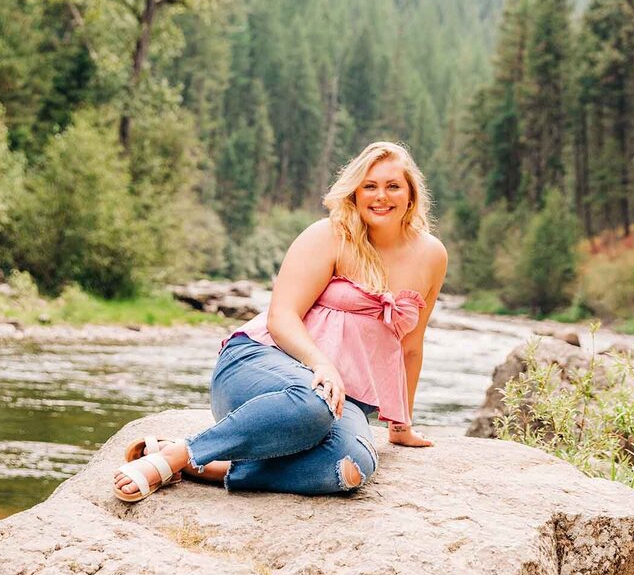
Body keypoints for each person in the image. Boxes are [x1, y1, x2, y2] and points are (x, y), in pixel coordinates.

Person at [113, 141, 447, 501]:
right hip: (260, 365)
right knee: (312, 401)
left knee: (351, 466)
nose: (381, 196)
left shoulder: (431, 255)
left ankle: (209, 468)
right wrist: (322, 364)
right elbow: (281, 317)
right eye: (370, 186)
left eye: (393, 186)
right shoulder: (330, 234)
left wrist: (401, 424)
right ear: (355, 192)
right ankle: (179, 454)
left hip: (342, 400)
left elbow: (410, 346)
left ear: (411, 193)